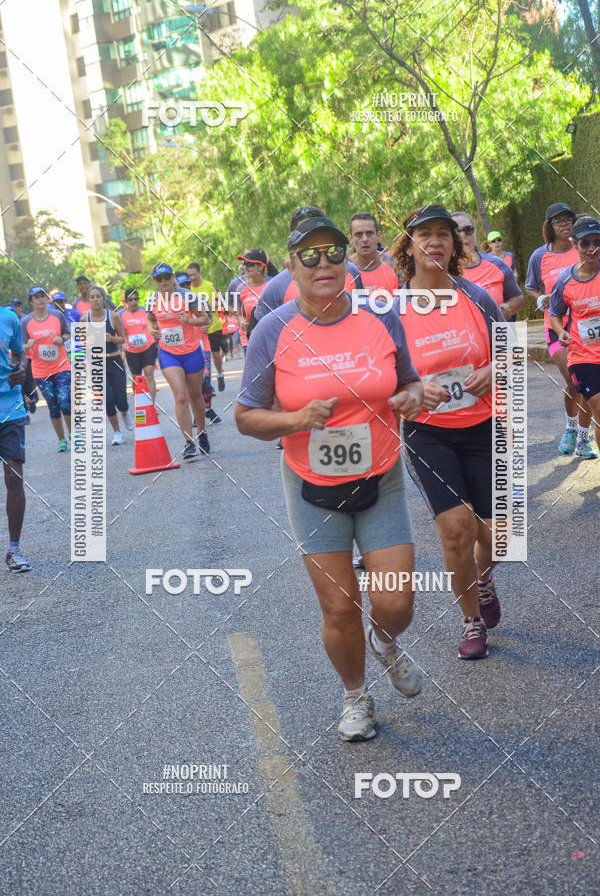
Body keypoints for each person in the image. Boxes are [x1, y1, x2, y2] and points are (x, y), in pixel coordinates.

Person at [235, 215, 424, 742]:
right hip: (311, 485)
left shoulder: (380, 318)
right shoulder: (273, 331)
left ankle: (385, 643)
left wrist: (410, 395)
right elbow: (247, 416)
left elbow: (407, 382)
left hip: (380, 475)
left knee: (395, 600)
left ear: (348, 258)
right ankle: (356, 697)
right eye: (310, 255)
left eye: (334, 252)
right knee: (339, 605)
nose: (324, 263)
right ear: (290, 265)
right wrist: (295, 420)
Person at [392, 205, 506, 660]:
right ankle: (471, 620)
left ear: (455, 245)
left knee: (500, 537)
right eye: (425, 234)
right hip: (429, 432)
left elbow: (511, 355)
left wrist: (494, 370)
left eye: (444, 234)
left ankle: (483, 578)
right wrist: (414, 387)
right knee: (457, 529)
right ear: (411, 245)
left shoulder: (478, 298)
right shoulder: (392, 308)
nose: (435, 241)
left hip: (483, 426)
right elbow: (382, 375)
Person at [525, 203, 594, 457]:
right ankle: (570, 426)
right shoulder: (539, 256)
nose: (564, 225)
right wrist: (539, 298)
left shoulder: (583, 249)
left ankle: (584, 438)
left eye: (568, 221)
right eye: (559, 222)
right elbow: (531, 286)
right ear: (549, 227)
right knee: (574, 381)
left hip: (584, 327)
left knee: (586, 383)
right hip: (555, 326)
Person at [252, 206, 364, 325]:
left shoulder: (353, 273)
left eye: (321, 238)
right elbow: (261, 332)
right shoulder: (276, 287)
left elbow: (364, 317)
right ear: (291, 240)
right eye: (307, 238)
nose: (323, 264)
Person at [147, 263, 211, 459]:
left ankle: (202, 433)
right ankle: (188, 442)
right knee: (181, 396)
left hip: (191, 352)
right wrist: (152, 329)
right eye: (159, 279)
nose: (164, 281)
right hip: (168, 353)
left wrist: (189, 320)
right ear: (155, 282)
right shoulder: (153, 299)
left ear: (173, 278)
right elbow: (150, 319)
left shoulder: (186, 296)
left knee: (195, 396)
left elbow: (205, 318)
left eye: (167, 277)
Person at [549, 217, 600, 455]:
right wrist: (560, 332)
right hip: (583, 357)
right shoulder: (564, 281)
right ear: (575, 244)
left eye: (597, 242)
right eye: (586, 243)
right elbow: (555, 313)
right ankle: (578, 434)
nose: (592, 248)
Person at [22, 286, 72, 452]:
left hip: (61, 365)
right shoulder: (26, 322)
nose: (41, 299)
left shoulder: (57, 316)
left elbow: (68, 333)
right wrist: (27, 345)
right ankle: (61, 439)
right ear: (31, 302)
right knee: (53, 406)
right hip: (41, 371)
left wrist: (62, 338)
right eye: (36, 297)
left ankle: (73, 435)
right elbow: (20, 346)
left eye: (43, 296)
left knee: (65, 401)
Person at [0, 303, 31, 571]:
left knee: (14, 475)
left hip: (9, 405)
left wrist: (21, 369)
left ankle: (14, 549)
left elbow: (20, 355)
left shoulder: (8, 318)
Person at [450, 212, 523, 319]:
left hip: (498, 332)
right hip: (466, 334)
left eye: (468, 230)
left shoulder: (498, 264)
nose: (463, 235)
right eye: (456, 232)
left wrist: (509, 307)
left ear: (475, 232)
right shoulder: (443, 273)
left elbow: (518, 297)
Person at [86, 286, 133, 445]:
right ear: (89, 300)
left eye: (98, 296)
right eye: (92, 297)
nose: (95, 300)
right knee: (108, 399)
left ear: (103, 298)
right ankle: (117, 432)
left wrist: (112, 339)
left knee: (121, 399)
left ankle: (125, 413)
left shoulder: (112, 316)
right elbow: (82, 344)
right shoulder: (83, 319)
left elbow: (123, 338)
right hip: (97, 363)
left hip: (114, 360)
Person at [178, 271, 221, 426]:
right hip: (185, 349)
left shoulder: (199, 300)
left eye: (187, 284)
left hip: (203, 346)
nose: (185, 287)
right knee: (192, 385)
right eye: (181, 285)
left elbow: (209, 316)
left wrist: (207, 325)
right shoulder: (173, 303)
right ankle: (200, 412)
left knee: (206, 381)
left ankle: (206, 409)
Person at [187, 262, 228, 392]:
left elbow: (221, 302)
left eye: (194, 274)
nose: (192, 278)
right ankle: (207, 383)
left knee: (215, 354)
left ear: (200, 273)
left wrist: (207, 306)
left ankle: (220, 373)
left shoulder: (209, 286)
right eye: (189, 275)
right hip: (198, 329)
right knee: (203, 357)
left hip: (213, 326)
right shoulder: (187, 289)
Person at [120, 287, 158, 402]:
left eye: (136, 299)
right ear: (125, 302)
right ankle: (140, 406)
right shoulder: (121, 314)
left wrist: (154, 329)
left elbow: (154, 321)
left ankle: (151, 405)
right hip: (132, 350)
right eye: (130, 300)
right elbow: (119, 332)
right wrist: (123, 344)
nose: (134, 302)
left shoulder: (145, 311)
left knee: (149, 373)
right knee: (137, 378)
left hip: (148, 346)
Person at [349, 211, 398, 293]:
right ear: (351, 239)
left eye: (369, 233)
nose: (364, 239)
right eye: (359, 234)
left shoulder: (395, 266)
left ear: (378, 236)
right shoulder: (343, 270)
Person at [49, 291, 81, 362]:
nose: (58, 304)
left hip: (77, 350)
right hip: (60, 353)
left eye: (60, 301)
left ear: (65, 301)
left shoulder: (73, 313)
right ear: (53, 303)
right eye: (56, 302)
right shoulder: (50, 316)